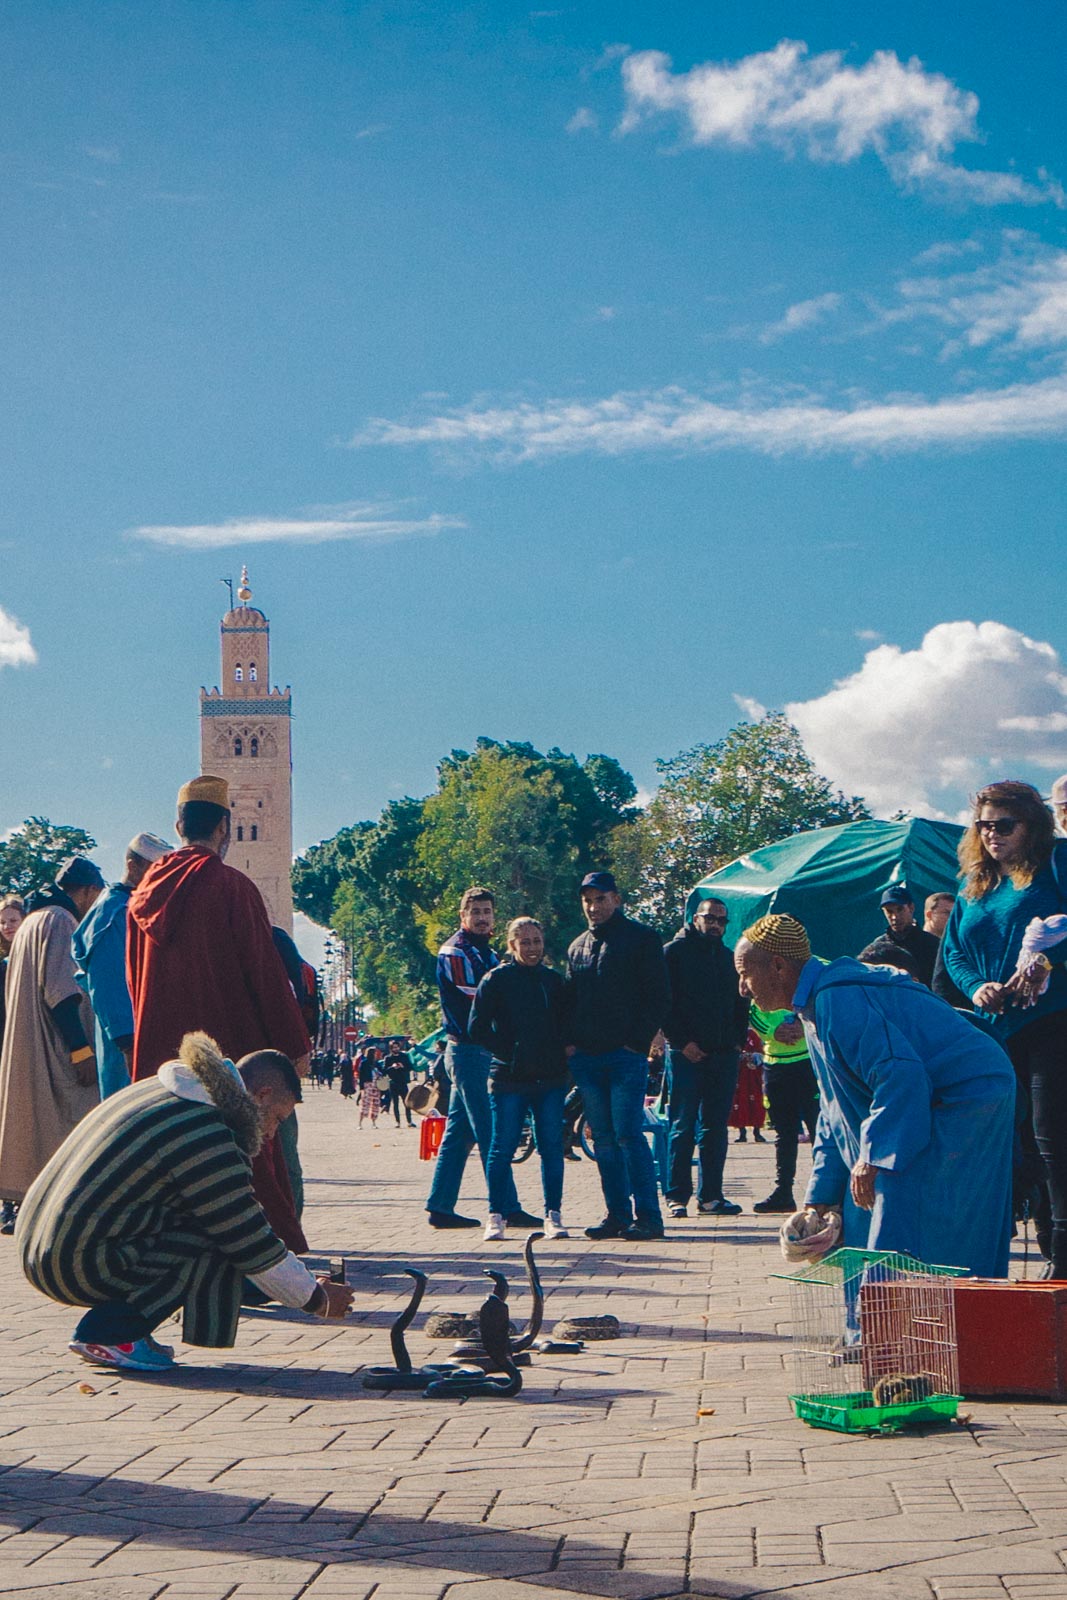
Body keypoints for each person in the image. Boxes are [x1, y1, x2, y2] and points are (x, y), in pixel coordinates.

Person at [17, 1031, 354, 1372]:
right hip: (69, 1263)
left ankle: (126, 1327)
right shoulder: (205, 1130)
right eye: (277, 1119)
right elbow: (247, 1240)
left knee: (211, 1224)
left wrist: (297, 1283)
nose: (270, 1134)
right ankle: (110, 1334)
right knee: (214, 1234)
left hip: (38, 1244)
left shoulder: (164, 1091)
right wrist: (316, 1299)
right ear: (263, 1095)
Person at [735, 913, 1016, 1277]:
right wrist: (819, 1196)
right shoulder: (815, 1005)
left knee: (908, 1195)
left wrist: (874, 1158)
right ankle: (885, 1316)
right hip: (938, 1090)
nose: (742, 987)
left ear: (778, 966)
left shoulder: (838, 999)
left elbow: (901, 1077)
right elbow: (835, 1109)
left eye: (745, 973)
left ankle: (918, 1313)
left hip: (971, 1094)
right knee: (871, 1190)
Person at [126, 776, 310, 1251]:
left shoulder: (141, 896)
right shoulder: (233, 886)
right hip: (229, 1054)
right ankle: (255, 1263)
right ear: (225, 826)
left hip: (160, 1060)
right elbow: (266, 977)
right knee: (242, 1161)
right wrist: (293, 1048)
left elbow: (133, 982)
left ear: (179, 825)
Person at [941, 780, 1067, 1276]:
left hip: (1052, 1020)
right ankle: (1021, 1239)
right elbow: (953, 949)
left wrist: (1048, 965)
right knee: (1009, 1141)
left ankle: (1062, 1256)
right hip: (993, 1033)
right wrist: (976, 987)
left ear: (1032, 825)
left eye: (1004, 825)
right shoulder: (975, 882)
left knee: (1051, 1135)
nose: (992, 835)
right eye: (984, 825)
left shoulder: (1056, 867)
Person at [0, 858, 105, 1232]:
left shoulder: (29, 923)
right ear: (88, 891)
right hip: (57, 1050)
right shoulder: (61, 921)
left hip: (30, 1047)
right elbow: (62, 993)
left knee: (32, 1129)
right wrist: (81, 1050)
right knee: (71, 1126)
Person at [564, 870, 669, 1241]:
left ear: (617, 899)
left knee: (629, 1135)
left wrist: (636, 1042)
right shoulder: (577, 946)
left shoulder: (642, 939)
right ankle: (617, 1214)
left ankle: (649, 1217)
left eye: (600, 899)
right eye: (588, 900)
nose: (593, 907)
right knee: (602, 1139)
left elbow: (658, 995)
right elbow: (570, 1001)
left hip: (626, 1057)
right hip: (588, 1059)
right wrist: (571, 1046)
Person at [425, 888, 533, 1231]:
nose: (483, 917)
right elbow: (481, 1001)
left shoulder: (486, 954)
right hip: (469, 1050)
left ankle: (440, 1206)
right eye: (476, 912)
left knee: (459, 1133)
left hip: (478, 1050)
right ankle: (507, 1207)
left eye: (487, 911)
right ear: (463, 917)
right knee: (491, 1130)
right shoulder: (455, 952)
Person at [470, 917, 570, 1241]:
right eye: (525, 942)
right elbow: (477, 1028)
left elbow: (568, 1024)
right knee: (502, 1147)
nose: (532, 948)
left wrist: (560, 1054)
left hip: (549, 1079)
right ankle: (496, 1214)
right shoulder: (496, 980)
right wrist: (510, 1051)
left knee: (552, 1147)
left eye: (537, 941)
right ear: (512, 945)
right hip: (508, 1078)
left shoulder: (553, 982)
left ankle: (553, 1215)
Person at [661, 897, 750, 1219]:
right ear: (694, 918)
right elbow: (661, 1001)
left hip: (723, 1054)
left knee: (715, 1128)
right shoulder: (673, 953)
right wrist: (681, 1041)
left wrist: (738, 1041)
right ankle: (676, 1196)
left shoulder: (728, 958)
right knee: (682, 1125)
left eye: (722, 921)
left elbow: (742, 1002)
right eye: (710, 918)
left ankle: (711, 1196)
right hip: (685, 1054)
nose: (716, 925)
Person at [72, 832, 171, 1100]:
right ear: (133, 866)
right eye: (155, 871)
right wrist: (128, 1045)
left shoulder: (134, 907)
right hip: (127, 1047)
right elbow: (108, 986)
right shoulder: (113, 912)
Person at [745, 1000, 820, 1215]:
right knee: (784, 1133)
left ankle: (823, 1192)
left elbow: (819, 1005)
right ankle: (784, 1192)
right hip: (776, 1065)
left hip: (808, 1060)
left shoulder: (802, 976)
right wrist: (772, 1031)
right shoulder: (761, 982)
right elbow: (752, 1010)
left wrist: (804, 1026)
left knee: (819, 1129)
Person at [876, 887, 939, 986]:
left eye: (900, 909)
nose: (895, 917)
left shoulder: (932, 944)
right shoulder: (878, 948)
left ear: (911, 908)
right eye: (889, 911)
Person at [0, 895, 26, 1051]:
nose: (7, 926)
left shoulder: (35, 956)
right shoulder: (3, 965)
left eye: (13, 921)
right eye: (2, 922)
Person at [728, 1043, 767, 1144]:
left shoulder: (753, 1035)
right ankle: (742, 1132)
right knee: (739, 1103)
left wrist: (752, 1056)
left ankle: (757, 1132)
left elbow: (762, 1053)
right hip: (739, 1077)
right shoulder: (733, 1034)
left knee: (756, 1103)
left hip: (753, 1078)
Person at [381, 1039, 415, 1127]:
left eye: (397, 1047)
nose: (396, 1049)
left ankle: (409, 1121)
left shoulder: (404, 1056)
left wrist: (403, 1066)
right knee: (395, 1103)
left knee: (406, 1103)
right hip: (393, 1083)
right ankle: (398, 1122)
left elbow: (410, 1067)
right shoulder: (388, 1058)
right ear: (391, 1048)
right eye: (394, 1047)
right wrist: (392, 1067)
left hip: (403, 1082)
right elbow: (384, 1071)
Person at [358, 1048, 382, 1126]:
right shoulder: (364, 1063)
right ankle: (360, 1122)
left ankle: (373, 1122)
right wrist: (361, 1087)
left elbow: (382, 1072)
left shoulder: (377, 1063)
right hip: (368, 1084)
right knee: (365, 1103)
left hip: (376, 1085)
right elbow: (361, 1076)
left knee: (375, 1104)